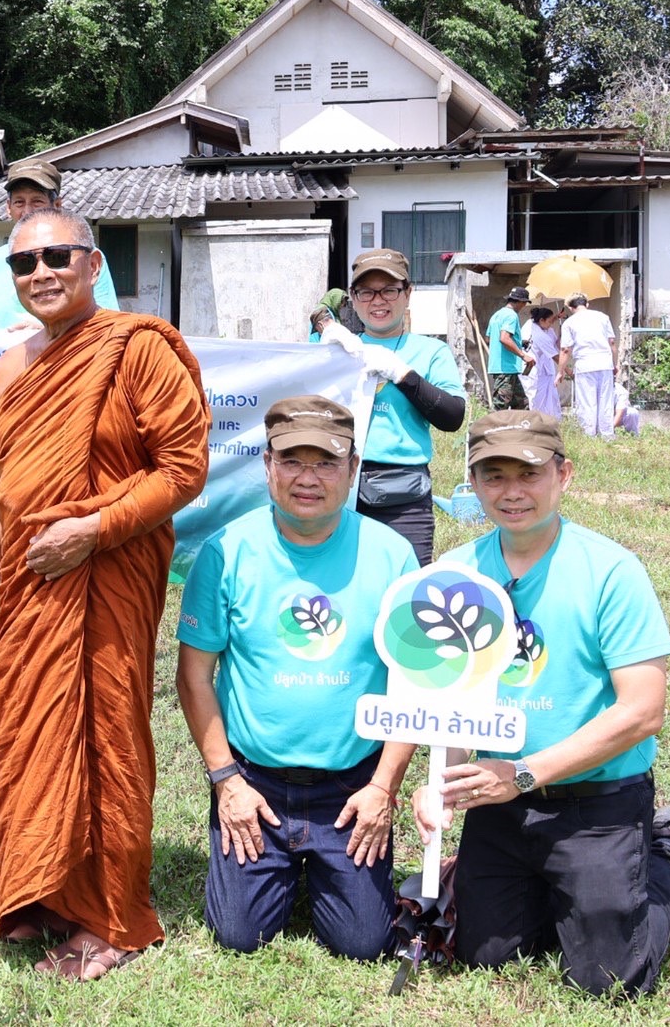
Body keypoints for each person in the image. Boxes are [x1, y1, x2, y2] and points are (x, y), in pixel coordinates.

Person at [0, 208, 209, 980]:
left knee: (106, 736)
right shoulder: (9, 369)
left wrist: (94, 530)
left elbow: (183, 469)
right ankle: (38, 892)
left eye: (56, 256)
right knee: (25, 732)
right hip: (31, 590)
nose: (40, 273)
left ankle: (111, 918)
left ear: (92, 263)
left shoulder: (137, 350)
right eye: (23, 263)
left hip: (109, 576)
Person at [413, 410, 670, 996]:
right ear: (473, 485)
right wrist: (443, 784)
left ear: (564, 476)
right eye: (493, 475)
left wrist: (525, 772)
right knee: (485, 955)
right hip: (499, 802)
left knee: (608, 979)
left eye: (528, 474)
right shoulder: (454, 574)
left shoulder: (611, 571)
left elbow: (642, 711)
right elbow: (454, 704)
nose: (511, 492)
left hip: (595, 801)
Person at [175, 396, 416, 960]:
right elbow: (194, 678)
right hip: (255, 783)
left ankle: (330, 868)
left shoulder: (392, 554)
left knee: (364, 943)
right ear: (267, 465)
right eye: (292, 461)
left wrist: (382, 788)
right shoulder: (227, 552)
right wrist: (226, 781)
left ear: (353, 468)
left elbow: (414, 685)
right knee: (239, 936)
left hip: (350, 785)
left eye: (326, 463)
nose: (308, 479)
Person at [316, 249, 465, 565]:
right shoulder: (340, 347)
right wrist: (325, 326)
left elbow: (452, 416)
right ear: (353, 299)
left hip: (403, 495)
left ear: (407, 293)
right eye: (366, 292)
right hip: (334, 486)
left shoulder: (431, 352)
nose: (378, 301)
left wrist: (401, 372)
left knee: (407, 594)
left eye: (389, 290)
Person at [0, 159, 119, 340]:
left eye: (37, 201)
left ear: (57, 206)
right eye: (19, 202)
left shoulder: (82, 256)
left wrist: (49, 328)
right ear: (8, 208)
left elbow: (109, 324)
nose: (28, 211)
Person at [557, 294, 618, 439]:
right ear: (587, 304)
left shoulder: (569, 323)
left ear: (571, 308)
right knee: (605, 401)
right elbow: (612, 343)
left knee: (587, 402)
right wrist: (615, 364)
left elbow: (566, 350)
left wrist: (560, 371)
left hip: (585, 365)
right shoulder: (603, 317)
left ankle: (589, 435)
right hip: (604, 363)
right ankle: (607, 435)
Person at [486, 286, 534, 410]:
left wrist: (519, 343)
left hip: (506, 368)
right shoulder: (511, 316)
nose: (524, 306)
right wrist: (523, 355)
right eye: (524, 303)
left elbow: (489, 339)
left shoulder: (497, 315)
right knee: (500, 407)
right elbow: (504, 338)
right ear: (520, 302)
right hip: (505, 369)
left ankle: (521, 428)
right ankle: (490, 428)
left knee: (521, 405)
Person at [524, 306, 561, 418]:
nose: (551, 324)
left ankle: (549, 419)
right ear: (541, 320)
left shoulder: (544, 328)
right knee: (534, 396)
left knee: (550, 397)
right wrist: (566, 370)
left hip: (546, 368)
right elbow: (555, 356)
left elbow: (556, 344)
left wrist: (557, 319)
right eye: (549, 321)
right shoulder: (537, 333)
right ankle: (535, 419)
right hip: (532, 368)